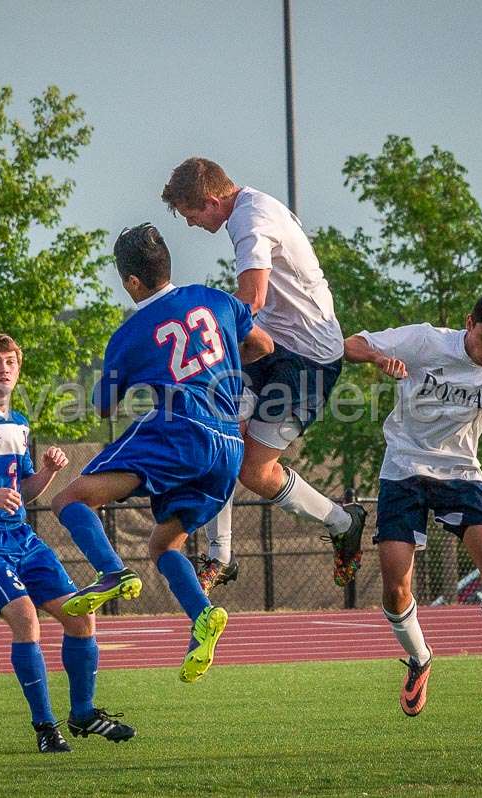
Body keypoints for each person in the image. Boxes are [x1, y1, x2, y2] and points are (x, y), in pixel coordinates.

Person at [51, 223, 273, 683]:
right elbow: (262, 346)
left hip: (181, 429)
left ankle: (111, 571)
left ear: (131, 281)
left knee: (70, 500)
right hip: (229, 444)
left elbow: (103, 406)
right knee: (164, 542)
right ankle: (203, 615)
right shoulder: (217, 301)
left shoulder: (131, 333)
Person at [343, 291, 482, 726]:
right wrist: (381, 359)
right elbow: (350, 344)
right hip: (403, 468)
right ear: (468, 322)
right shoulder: (425, 341)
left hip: (461, 473)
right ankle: (420, 658)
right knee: (395, 585)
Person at [161, 157, 366, 594]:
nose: (192, 224)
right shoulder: (251, 207)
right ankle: (221, 556)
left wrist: (202, 330)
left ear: (213, 201)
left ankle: (344, 521)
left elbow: (250, 298)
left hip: (308, 361)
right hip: (272, 344)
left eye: (191, 214)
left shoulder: (249, 220)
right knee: (219, 429)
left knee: (254, 471)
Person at [0, 333, 136, 753]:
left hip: (22, 536)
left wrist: (45, 473)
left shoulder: (21, 421)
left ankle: (83, 712)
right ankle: (46, 728)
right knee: (27, 619)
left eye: (10, 361)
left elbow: (23, 492)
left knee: (81, 618)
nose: (4, 368)